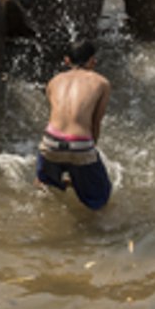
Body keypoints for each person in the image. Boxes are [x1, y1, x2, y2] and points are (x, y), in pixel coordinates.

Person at [35, 40, 113, 211]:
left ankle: (57, 180)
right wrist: (91, 149)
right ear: (93, 61)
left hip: (50, 142)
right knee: (101, 197)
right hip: (80, 144)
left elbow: (57, 116)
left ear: (66, 61)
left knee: (45, 181)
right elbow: (95, 121)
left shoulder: (54, 81)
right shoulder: (101, 83)